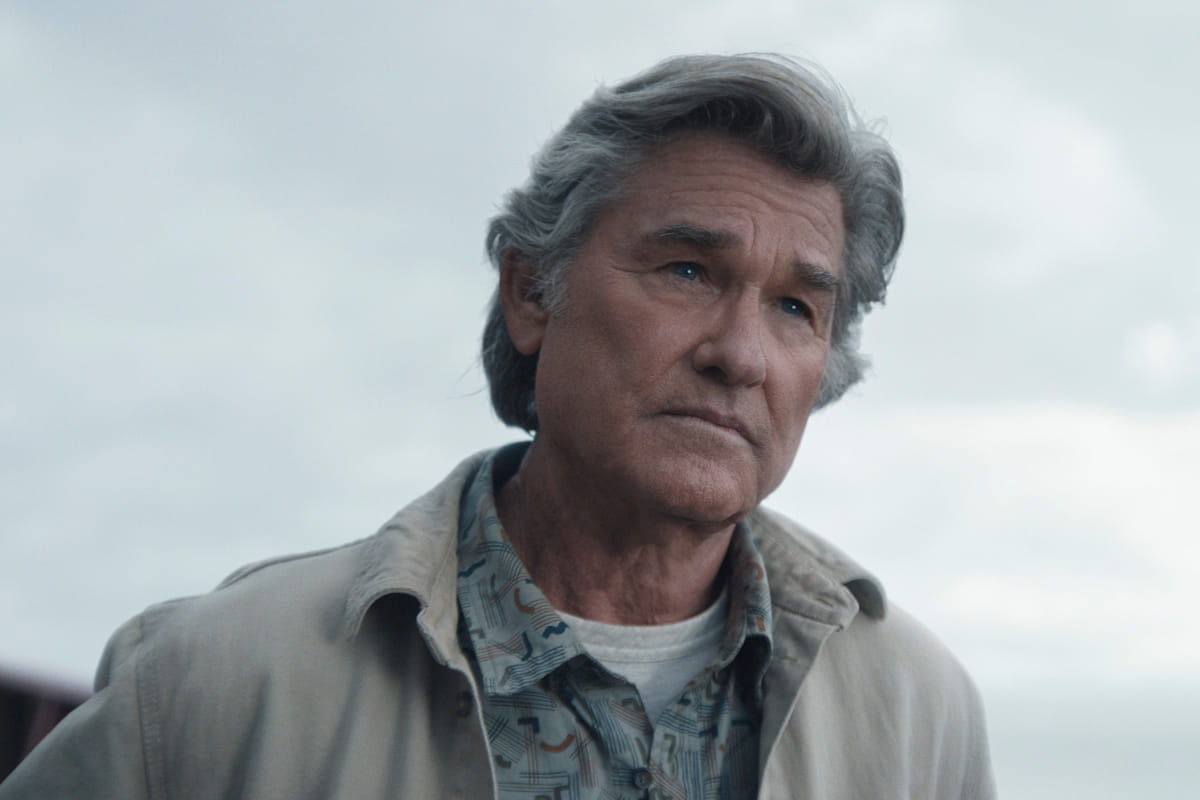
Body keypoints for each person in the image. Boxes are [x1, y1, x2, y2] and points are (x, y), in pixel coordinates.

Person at [0, 54, 995, 799]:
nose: (740, 353)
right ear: (531, 291)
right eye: (689, 270)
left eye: (795, 307)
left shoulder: (917, 715)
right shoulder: (214, 686)